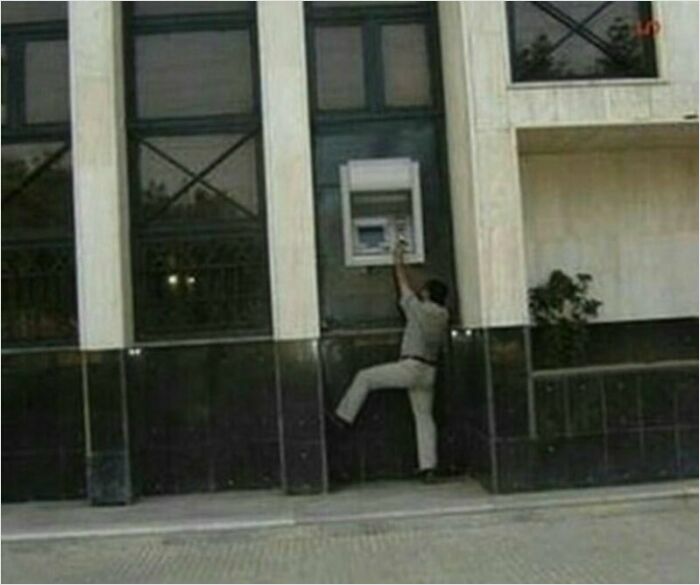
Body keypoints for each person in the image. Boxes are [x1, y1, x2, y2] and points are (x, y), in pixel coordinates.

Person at [330, 242, 449, 483]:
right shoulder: (443, 314)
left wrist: (398, 261)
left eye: (423, 289)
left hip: (410, 367)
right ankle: (428, 467)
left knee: (365, 377)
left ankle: (342, 417)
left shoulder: (419, 309)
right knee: (424, 417)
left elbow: (404, 287)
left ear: (426, 294)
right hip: (429, 372)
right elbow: (417, 291)